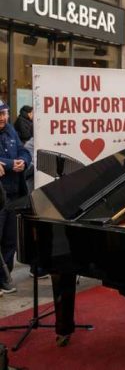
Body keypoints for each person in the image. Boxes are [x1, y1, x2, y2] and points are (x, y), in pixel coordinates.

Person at [0, 100, 30, 293]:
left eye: (5, 113)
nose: (3, 118)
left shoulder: (10, 129)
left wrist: (24, 162)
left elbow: (24, 151)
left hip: (14, 194)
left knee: (10, 239)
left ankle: (6, 276)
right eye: (0, 115)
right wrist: (13, 164)